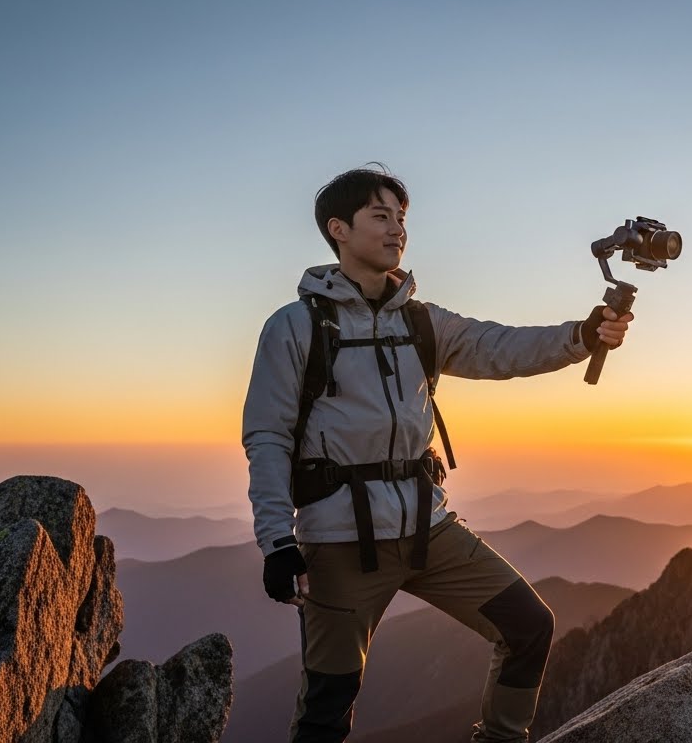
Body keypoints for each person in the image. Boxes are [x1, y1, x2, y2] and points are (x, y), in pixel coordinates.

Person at [242, 165, 633, 743]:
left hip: (430, 528)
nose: (397, 228)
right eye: (381, 216)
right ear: (338, 230)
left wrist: (582, 335)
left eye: (402, 218)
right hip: (340, 539)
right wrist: (277, 542)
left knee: (528, 626)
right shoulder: (296, 327)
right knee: (328, 704)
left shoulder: (420, 320)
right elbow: (268, 436)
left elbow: (500, 347)